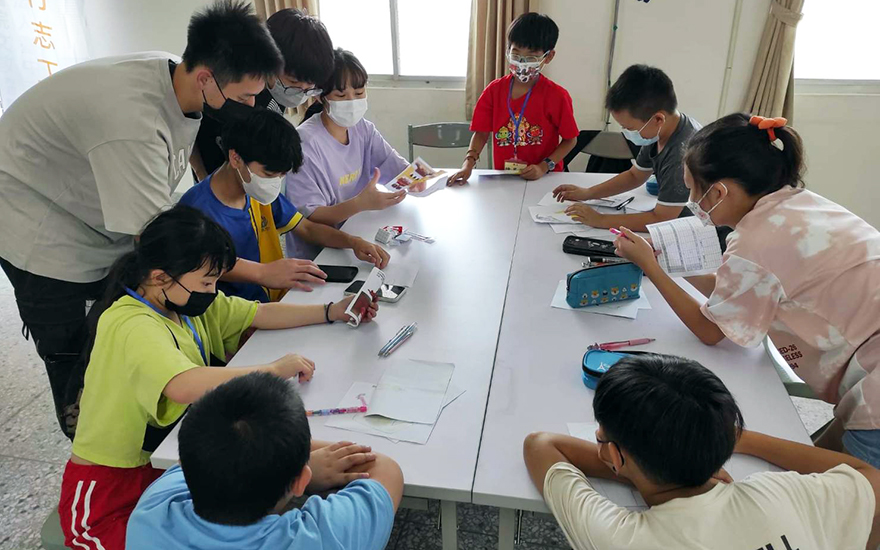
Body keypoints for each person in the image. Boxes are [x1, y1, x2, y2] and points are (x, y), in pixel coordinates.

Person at [0, 0, 296, 439]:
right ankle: (94, 438)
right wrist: (257, 272)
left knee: (125, 330)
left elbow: (179, 159)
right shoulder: (130, 123)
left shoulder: (177, 77)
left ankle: (146, 422)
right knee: (77, 350)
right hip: (42, 230)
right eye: (244, 97)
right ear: (206, 78)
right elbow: (163, 242)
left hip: (91, 207)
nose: (253, 106)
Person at [59, 206, 379, 550]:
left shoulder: (182, 303)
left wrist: (331, 311)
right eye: (206, 282)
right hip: (110, 492)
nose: (212, 292)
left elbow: (258, 313)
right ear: (159, 277)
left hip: (169, 473)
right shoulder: (130, 323)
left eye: (215, 281)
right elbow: (183, 385)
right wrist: (272, 371)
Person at [613, 113, 880, 467]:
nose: (692, 200)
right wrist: (671, 261)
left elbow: (710, 329)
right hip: (867, 356)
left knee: (855, 490)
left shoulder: (756, 241)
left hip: (874, 386)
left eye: (693, 190)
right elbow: (737, 294)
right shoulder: (797, 203)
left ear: (719, 192)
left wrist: (650, 265)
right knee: (820, 462)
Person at [523, 354, 880, 550]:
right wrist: (743, 439)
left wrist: (643, 468)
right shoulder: (781, 493)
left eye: (602, 438)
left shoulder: (623, 539)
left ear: (615, 457)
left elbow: (540, 444)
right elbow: (869, 475)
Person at [127, 372, 404, 550]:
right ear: (301, 482)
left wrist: (294, 461)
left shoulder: (150, 512)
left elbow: (190, 459)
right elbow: (384, 468)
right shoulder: (319, 539)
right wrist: (298, 458)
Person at [180, 108, 390, 303]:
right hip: (236, 316)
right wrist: (263, 273)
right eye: (269, 174)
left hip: (278, 300)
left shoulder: (256, 191)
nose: (275, 183)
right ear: (236, 158)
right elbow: (206, 265)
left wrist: (352, 242)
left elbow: (307, 229)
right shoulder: (196, 211)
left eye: (281, 176)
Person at [284, 48, 410, 261]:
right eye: (341, 96)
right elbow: (310, 218)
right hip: (319, 254)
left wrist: (419, 179)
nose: (352, 102)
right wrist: (360, 203)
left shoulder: (363, 129)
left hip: (357, 233)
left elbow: (396, 168)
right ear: (321, 97)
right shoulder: (305, 143)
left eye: (359, 93)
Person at [190, 8, 335, 180]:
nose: (299, 93)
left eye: (308, 88)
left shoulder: (280, 89)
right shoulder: (234, 90)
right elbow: (189, 128)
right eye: (293, 83)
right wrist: (201, 174)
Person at [552, 65, 701, 232]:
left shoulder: (681, 154)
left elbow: (661, 218)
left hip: (694, 228)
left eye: (630, 128)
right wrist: (588, 193)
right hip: (675, 216)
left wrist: (600, 219)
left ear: (658, 119)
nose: (627, 133)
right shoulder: (660, 130)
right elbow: (635, 175)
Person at [447, 12, 578, 184]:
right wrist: (468, 164)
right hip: (505, 177)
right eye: (516, 54)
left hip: (545, 178)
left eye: (531, 57)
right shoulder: (494, 91)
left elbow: (570, 140)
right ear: (508, 51)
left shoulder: (557, 96)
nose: (522, 62)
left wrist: (544, 166)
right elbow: (481, 133)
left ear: (548, 56)